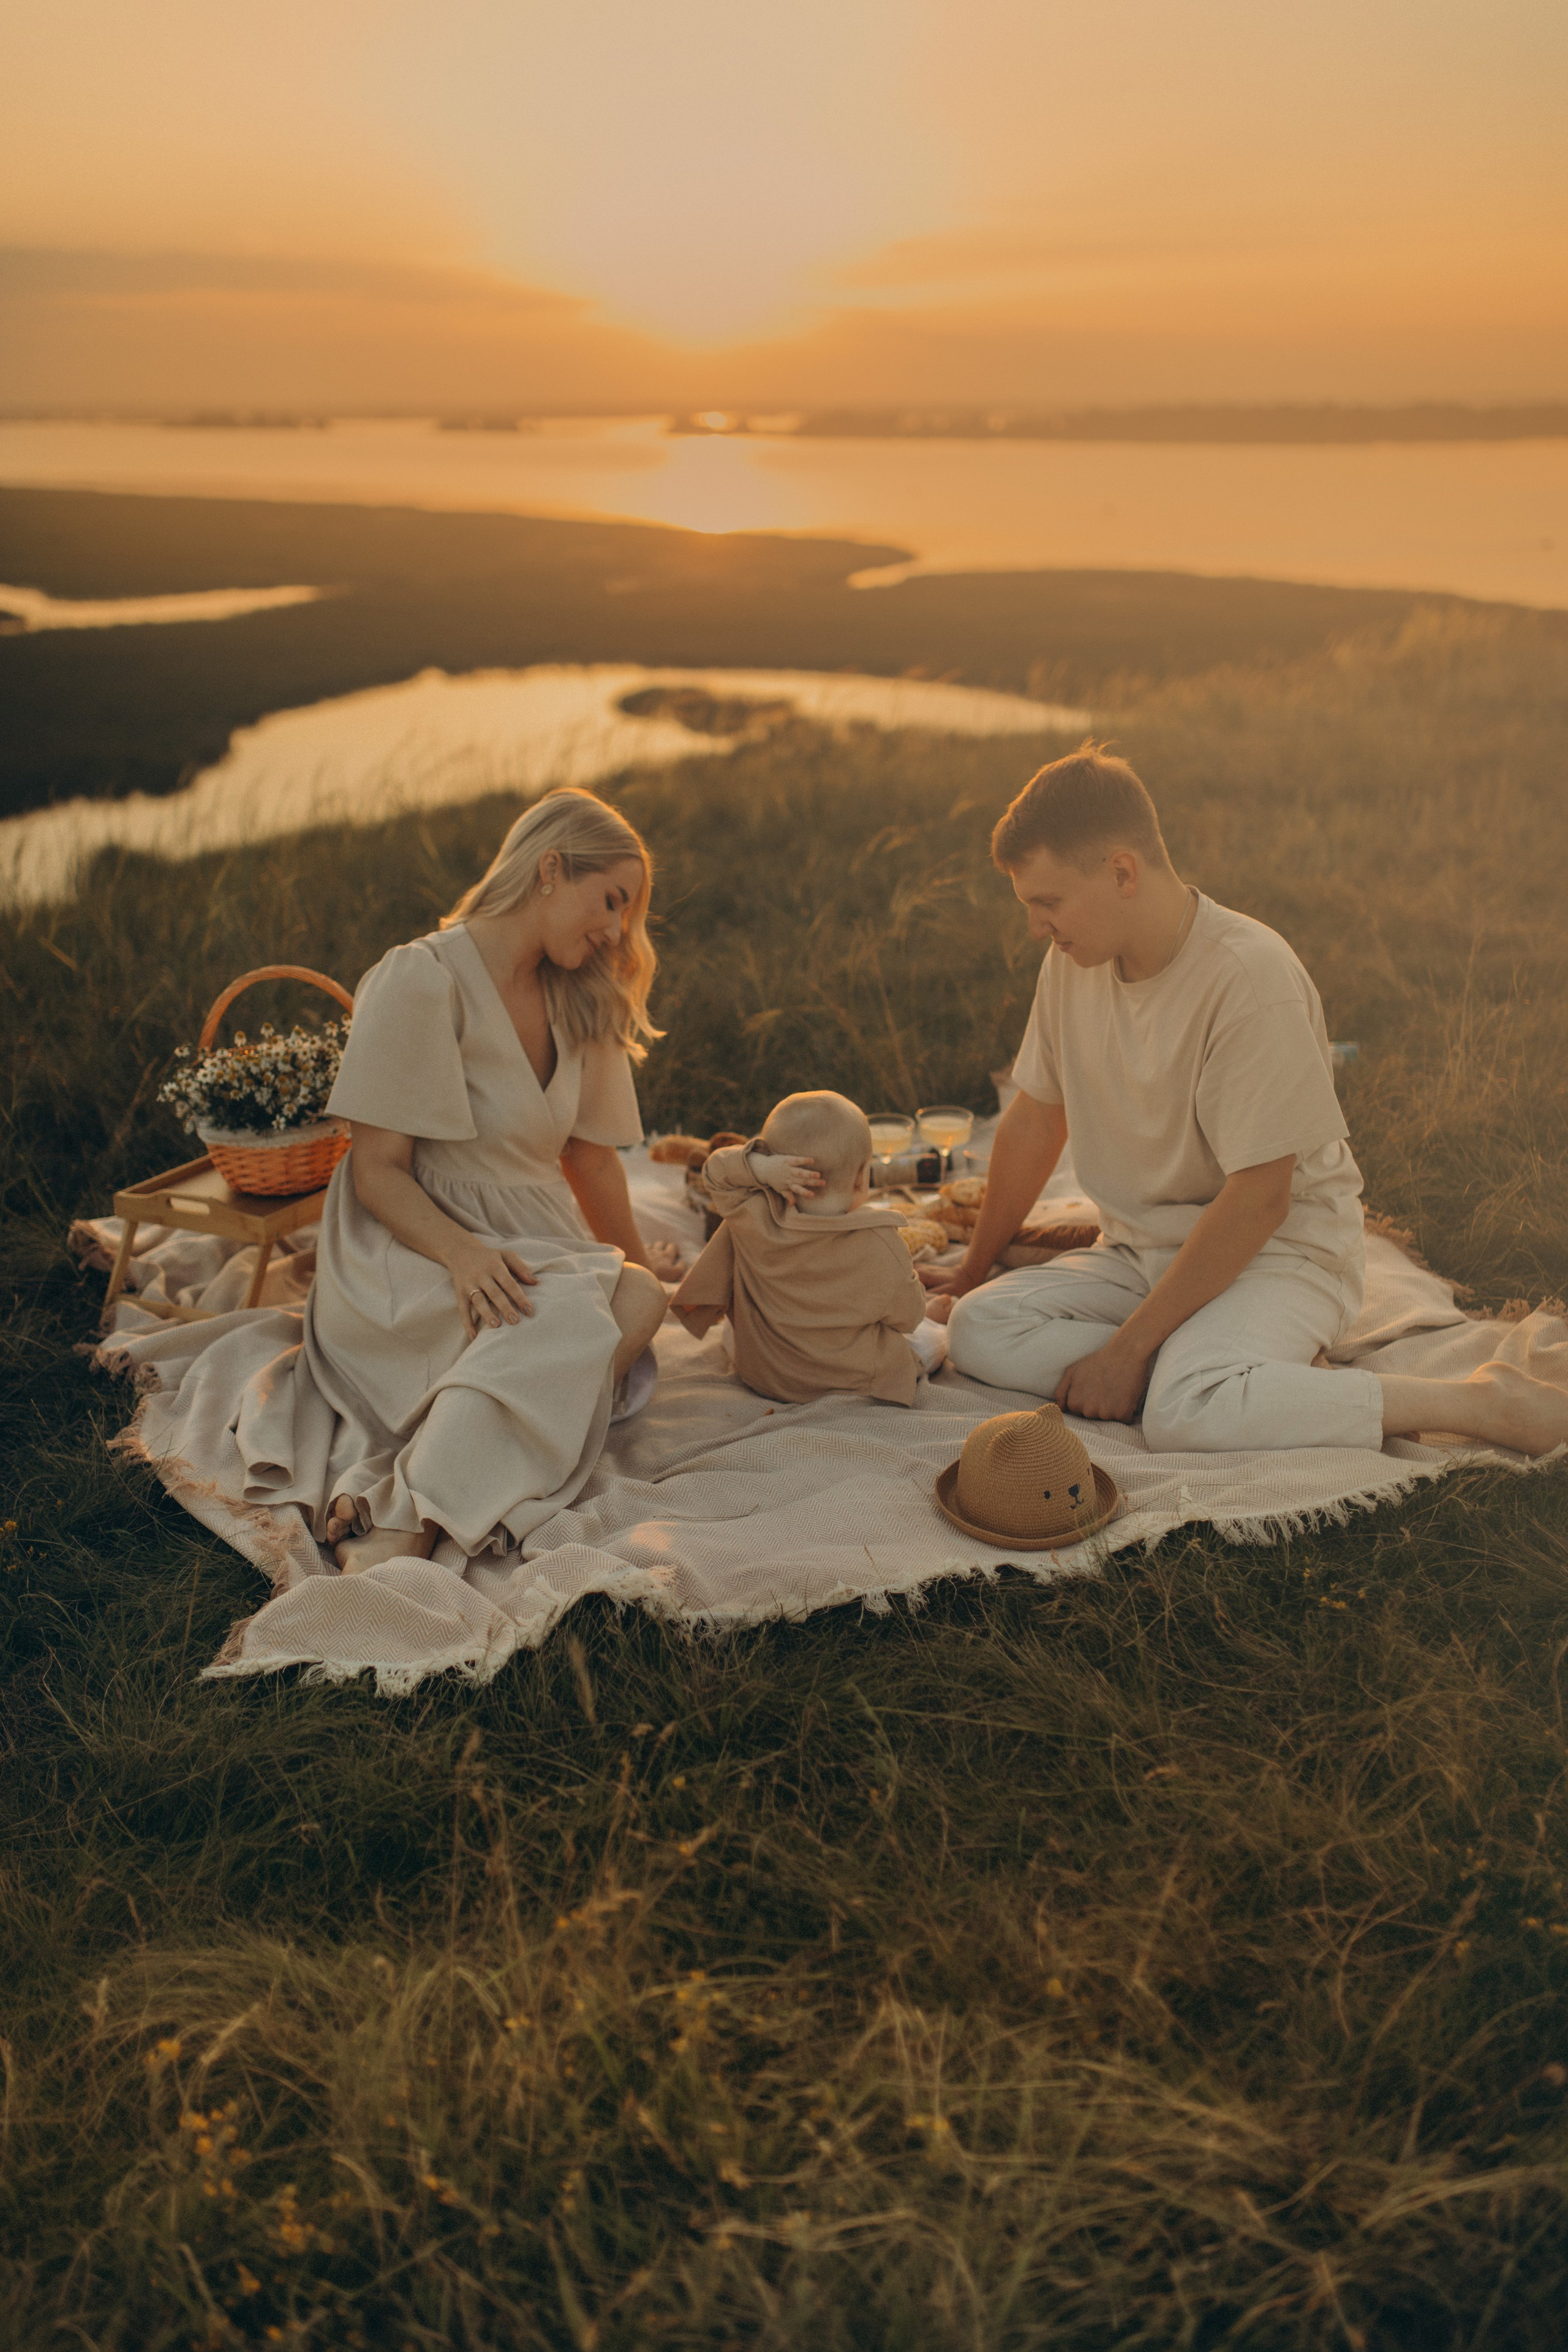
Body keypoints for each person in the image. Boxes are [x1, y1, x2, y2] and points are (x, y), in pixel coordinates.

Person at [922, 745, 1568, 1460]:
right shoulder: (1072, 964)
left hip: (1280, 1254)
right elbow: (1037, 1118)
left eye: (1047, 903)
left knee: (1183, 1413)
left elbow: (1261, 1199)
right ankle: (1248, 1379)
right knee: (981, 1328)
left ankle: (1477, 1401)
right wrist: (971, 1272)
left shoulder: (1248, 978)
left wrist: (1130, 1350)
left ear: (1122, 872)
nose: (1036, 926)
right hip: (1143, 1255)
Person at [308, 787, 673, 1571]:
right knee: (567, 1327)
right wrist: (465, 1255)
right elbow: (376, 1172)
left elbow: (593, 1160)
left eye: (628, 912)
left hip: (538, 1239)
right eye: (609, 901)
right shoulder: (421, 979)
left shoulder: (583, 992)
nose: (616, 931)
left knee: (639, 1295)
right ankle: (418, 1516)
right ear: (549, 869)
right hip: (415, 1244)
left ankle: (408, 1491)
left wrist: (636, 1260)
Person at [670, 1090, 942, 1403]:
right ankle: (939, 1320)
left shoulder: (752, 1215)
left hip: (763, 1371)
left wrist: (762, 1169)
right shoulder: (882, 1243)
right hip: (847, 1378)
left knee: (736, 1328)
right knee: (930, 1342)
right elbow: (908, 1317)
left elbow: (715, 1171)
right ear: (860, 1178)